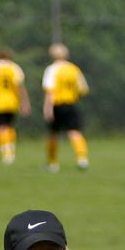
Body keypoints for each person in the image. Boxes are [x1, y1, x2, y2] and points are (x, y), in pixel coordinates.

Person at [42, 43, 90, 172]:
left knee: (53, 134)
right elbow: (83, 89)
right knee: (74, 131)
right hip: (71, 103)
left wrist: (47, 108)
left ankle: (52, 163)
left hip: (57, 104)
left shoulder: (52, 69)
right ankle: (82, 158)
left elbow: (49, 91)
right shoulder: (74, 69)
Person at [0, 48, 31, 165]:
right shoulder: (14, 67)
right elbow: (20, 86)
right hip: (12, 101)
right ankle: (11, 148)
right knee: (9, 125)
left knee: (1, 127)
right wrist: (25, 102)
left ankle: (6, 152)